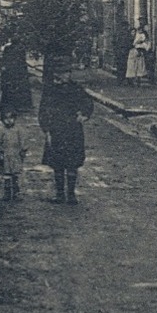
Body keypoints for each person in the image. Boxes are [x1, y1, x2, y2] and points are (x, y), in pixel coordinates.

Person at [38, 56, 94, 205]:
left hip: (72, 130)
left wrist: (84, 115)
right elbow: (43, 110)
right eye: (63, 72)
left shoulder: (76, 88)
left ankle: (71, 194)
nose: (66, 75)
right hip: (56, 130)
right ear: (56, 74)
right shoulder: (50, 90)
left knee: (72, 163)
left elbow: (88, 102)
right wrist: (46, 129)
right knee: (57, 163)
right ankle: (60, 194)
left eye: (68, 72)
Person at [0, 106, 28, 202]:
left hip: (16, 155)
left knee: (16, 174)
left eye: (11, 118)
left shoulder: (18, 130)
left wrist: (23, 150)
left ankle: (16, 192)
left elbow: (23, 141)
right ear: (2, 120)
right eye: (6, 118)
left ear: (15, 119)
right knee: (7, 174)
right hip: (5, 155)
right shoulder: (1, 130)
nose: (9, 121)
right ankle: (7, 192)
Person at [0, 35, 32, 112]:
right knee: (20, 87)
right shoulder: (21, 48)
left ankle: (7, 103)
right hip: (19, 71)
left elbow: (4, 58)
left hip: (9, 70)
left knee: (8, 87)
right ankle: (20, 105)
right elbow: (22, 60)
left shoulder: (8, 48)